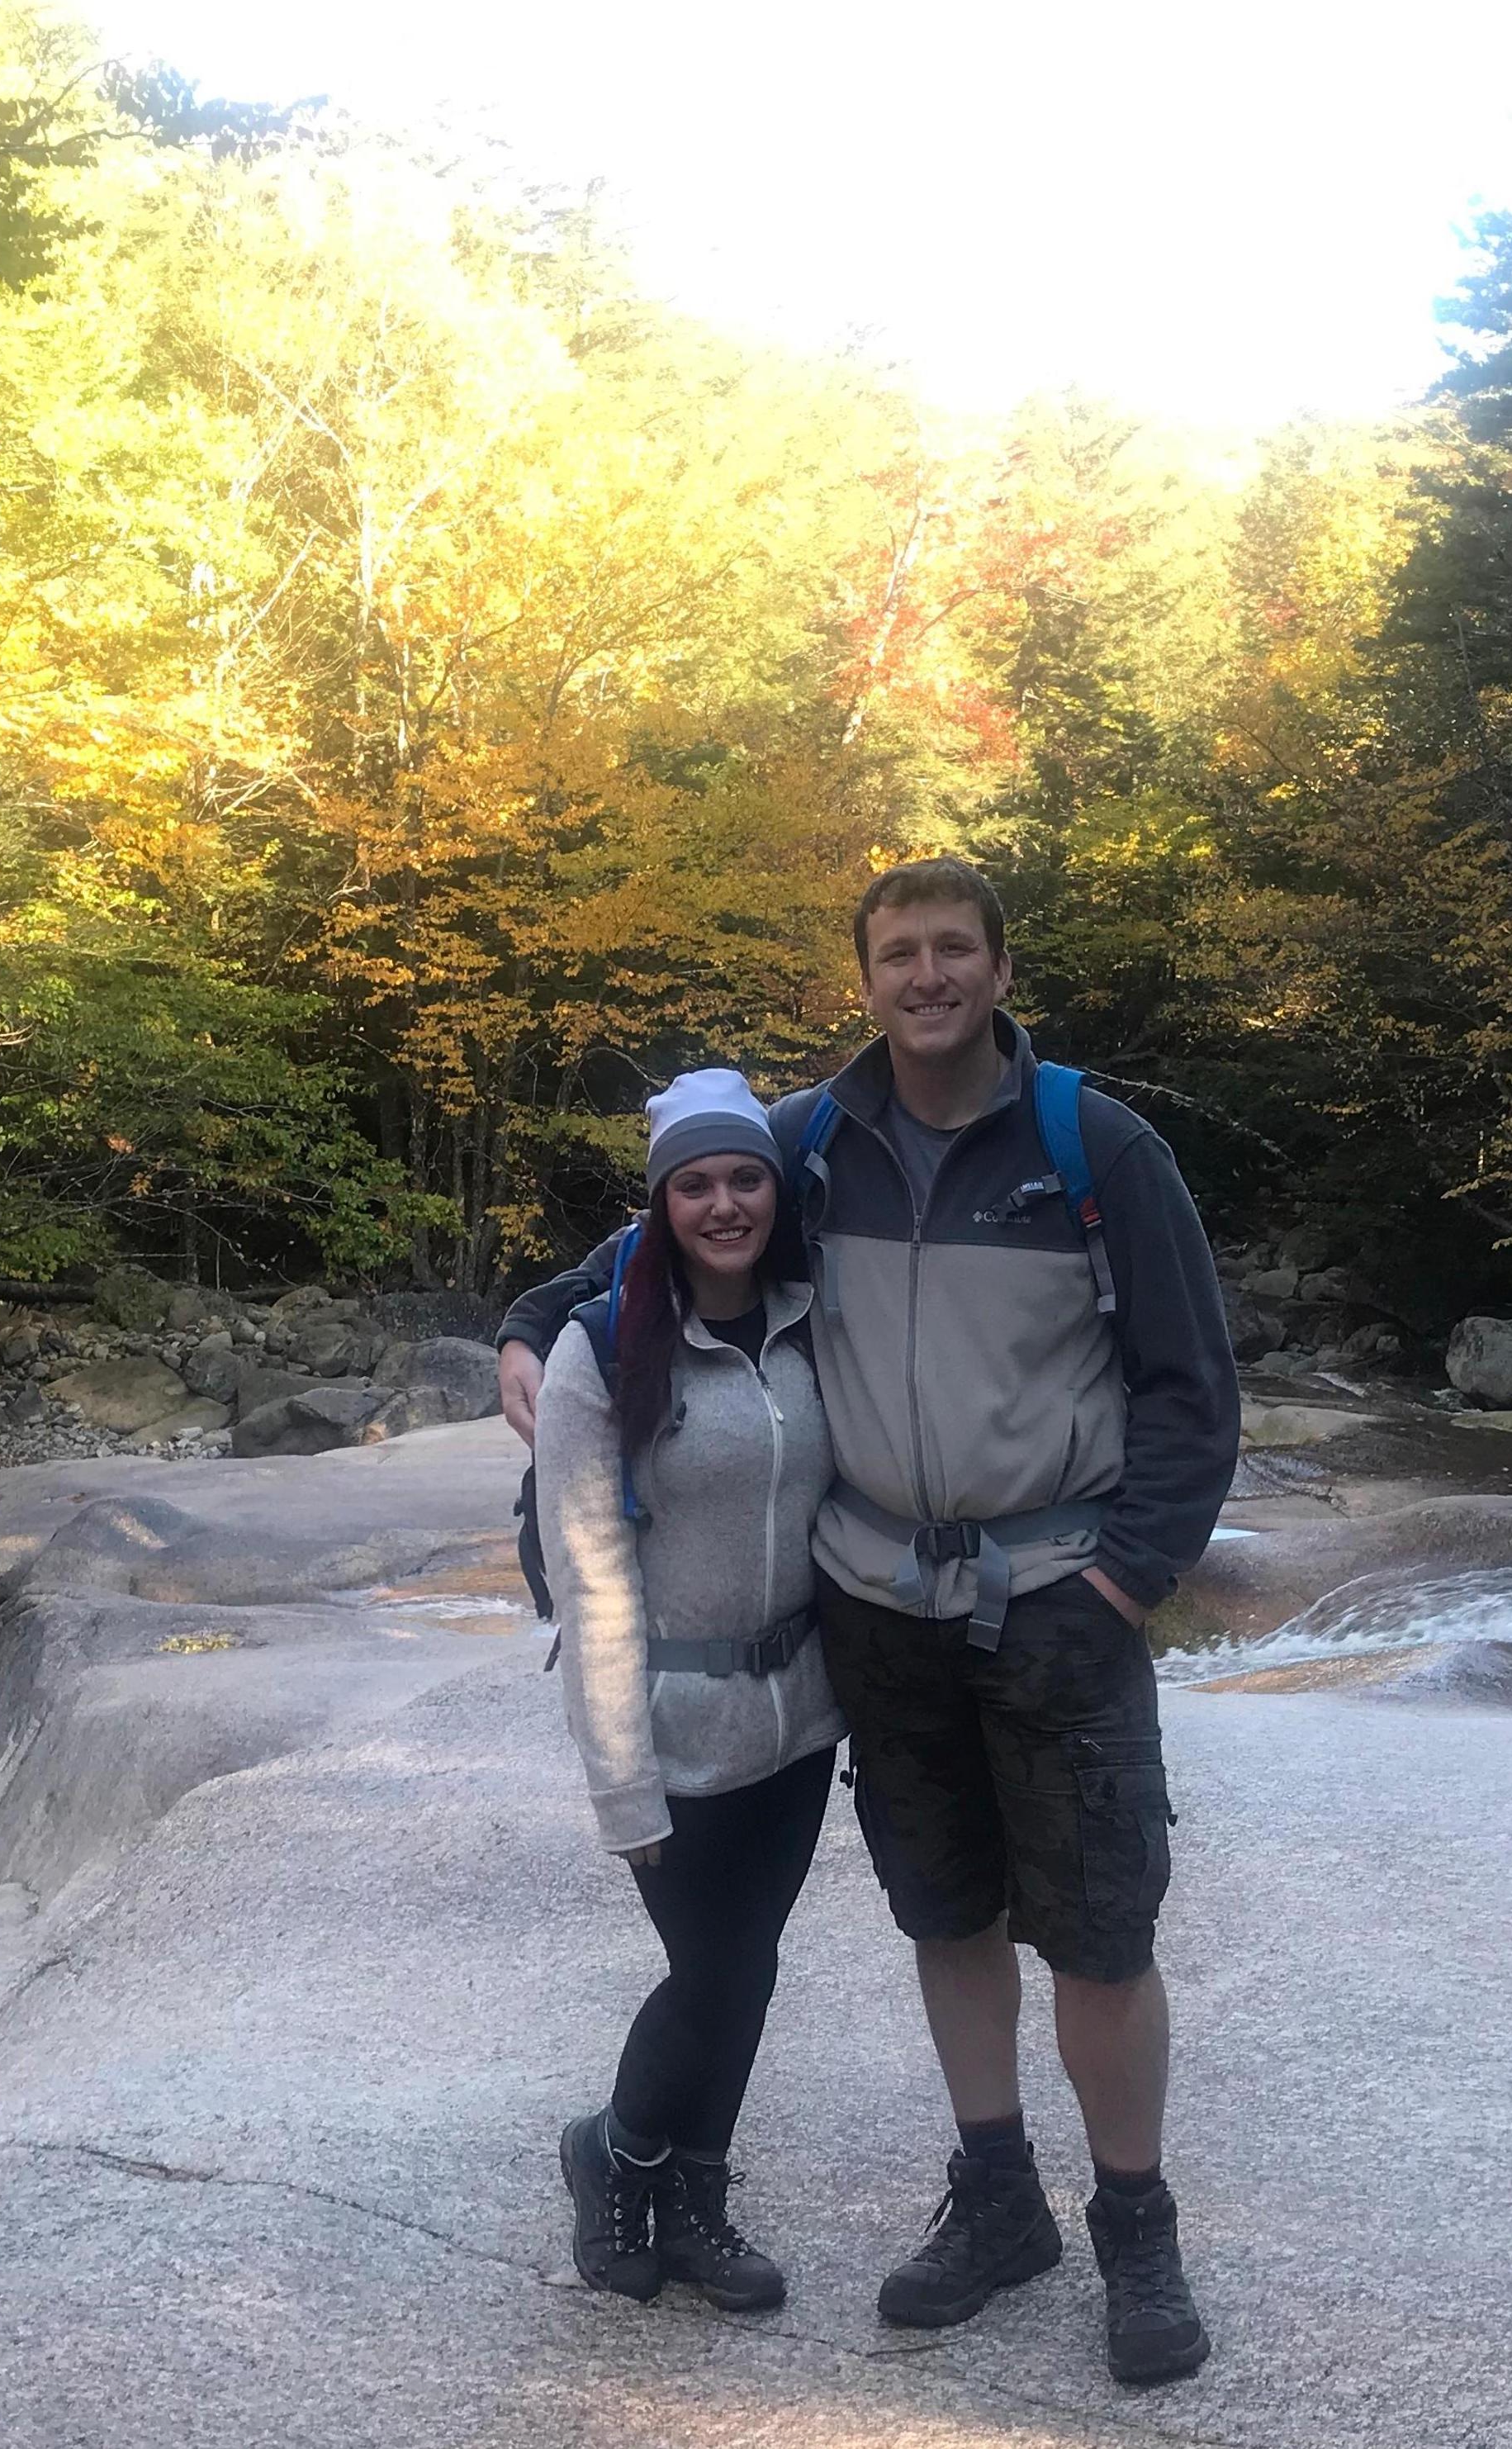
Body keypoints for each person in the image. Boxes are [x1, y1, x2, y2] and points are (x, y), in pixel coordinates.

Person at [500, 857, 1238, 2386]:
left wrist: (1121, 1580)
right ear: (863, 978)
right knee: (944, 1910)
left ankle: (1135, 2230)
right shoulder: (811, 1139)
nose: (925, 976)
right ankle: (994, 2197)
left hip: (1054, 1594)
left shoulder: (1093, 1143)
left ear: (996, 965)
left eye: (950, 948)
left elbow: (1191, 1386)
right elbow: (660, 1231)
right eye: (896, 952)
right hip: (880, 1609)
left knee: (1098, 1932)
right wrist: (528, 1323)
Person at [539, 1067, 847, 2314]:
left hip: (799, 1720)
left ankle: (695, 2193)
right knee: (713, 1974)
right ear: (660, 1203)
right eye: (696, 1183)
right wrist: (622, 1782)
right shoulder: (599, 1349)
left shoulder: (816, 1314)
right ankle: (616, 2154)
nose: (724, 1203)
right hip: (671, 1730)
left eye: (744, 1178)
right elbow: (590, 1576)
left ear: (776, 1189)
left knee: (750, 1966)